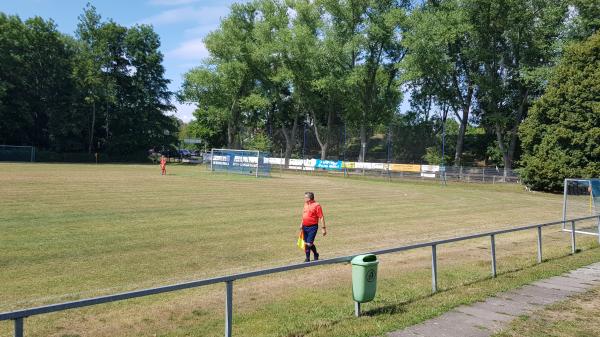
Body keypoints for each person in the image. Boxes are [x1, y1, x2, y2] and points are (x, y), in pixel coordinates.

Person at [300, 192, 326, 262]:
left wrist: (323, 228)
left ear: (309, 198)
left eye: (305, 197)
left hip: (313, 227)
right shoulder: (305, 204)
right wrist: (301, 224)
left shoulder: (317, 205)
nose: (304, 198)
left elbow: (321, 217)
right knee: (306, 243)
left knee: (309, 243)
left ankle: (313, 255)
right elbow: (304, 214)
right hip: (304, 226)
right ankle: (309, 257)